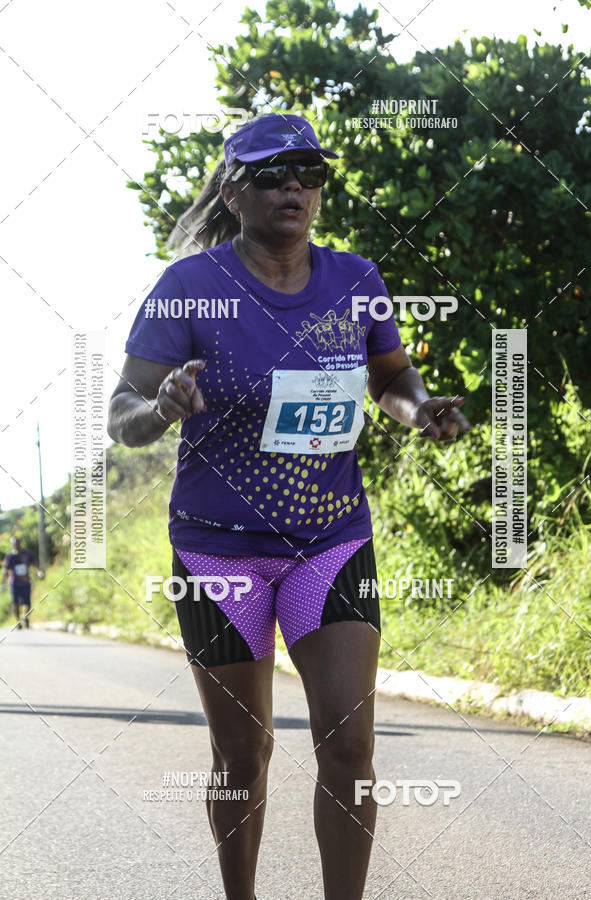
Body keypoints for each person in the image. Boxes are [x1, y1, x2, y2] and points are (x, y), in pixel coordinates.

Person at [108, 112, 471, 900]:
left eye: (309, 171)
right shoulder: (188, 290)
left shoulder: (357, 281)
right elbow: (121, 412)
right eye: (273, 174)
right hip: (218, 548)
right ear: (234, 191)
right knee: (244, 755)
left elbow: (389, 381)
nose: (295, 186)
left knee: (349, 745)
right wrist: (164, 406)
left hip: (329, 539)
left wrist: (420, 411)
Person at [2, 536, 44, 629]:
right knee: (15, 602)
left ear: (20, 543)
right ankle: (18, 621)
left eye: (17, 543)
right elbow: (5, 570)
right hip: (14, 583)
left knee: (27, 602)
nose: (16, 546)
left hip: (26, 582)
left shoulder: (27, 554)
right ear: (12, 545)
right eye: (14, 544)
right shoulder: (10, 557)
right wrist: (3, 584)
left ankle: (25, 616)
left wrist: (39, 572)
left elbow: (35, 563)